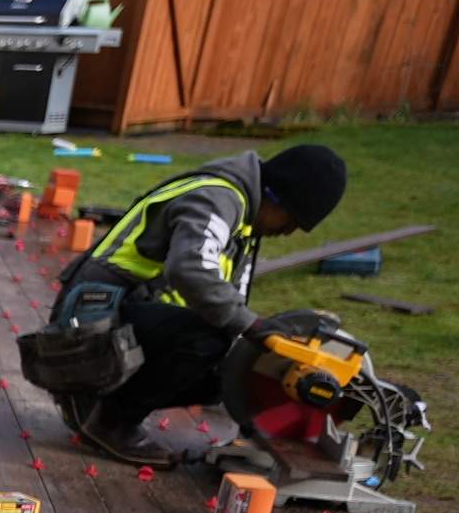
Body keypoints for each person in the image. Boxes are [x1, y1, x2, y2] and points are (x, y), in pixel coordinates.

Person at [55, 144, 349, 466]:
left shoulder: (245, 218)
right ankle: (109, 421)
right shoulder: (217, 198)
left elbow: (229, 301)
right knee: (210, 339)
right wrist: (253, 326)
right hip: (86, 323)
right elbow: (189, 268)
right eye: (292, 220)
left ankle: (97, 402)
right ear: (276, 195)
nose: (288, 231)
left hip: (116, 317)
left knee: (223, 373)